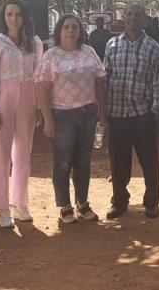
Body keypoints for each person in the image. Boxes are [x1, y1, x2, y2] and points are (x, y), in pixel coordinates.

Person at [37, 13, 107, 223]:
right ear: (59, 31)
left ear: (80, 31)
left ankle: (82, 203)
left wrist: (102, 110)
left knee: (83, 161)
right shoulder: (51, 55)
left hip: (88, 114)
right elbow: (42, 88)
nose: (70, 30)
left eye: (74, 27)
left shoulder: (89, 52)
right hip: (62, 116)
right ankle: (65, 207)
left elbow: (98, 82)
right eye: (66, 26)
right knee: (63, 163)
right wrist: (47, 119)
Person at [0, 0, 44, 228]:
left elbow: (38, 75)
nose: (14, 19)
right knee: (0, 153)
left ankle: (20, 203)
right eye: (9, 14)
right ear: (3, 17)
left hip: (28, 95)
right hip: (4, 96)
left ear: (24, 17)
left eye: (17, 14)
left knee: (23, 152)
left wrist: (39, 105)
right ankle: (2, 208)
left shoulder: (34, 43)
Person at [102, 2, 159, 220]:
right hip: (117, 113)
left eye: (138, 15)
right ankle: (119, 202)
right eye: (129, 14)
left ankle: (152, 202)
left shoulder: (153, 47)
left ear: (145, 20)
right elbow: (105, 76)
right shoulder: (112, 45)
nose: (133, 18)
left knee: (149, 162)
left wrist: (155, 109)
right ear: (123, 18)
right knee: (118, 162)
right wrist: (103, 108)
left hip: (142, 114)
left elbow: (158, 79)